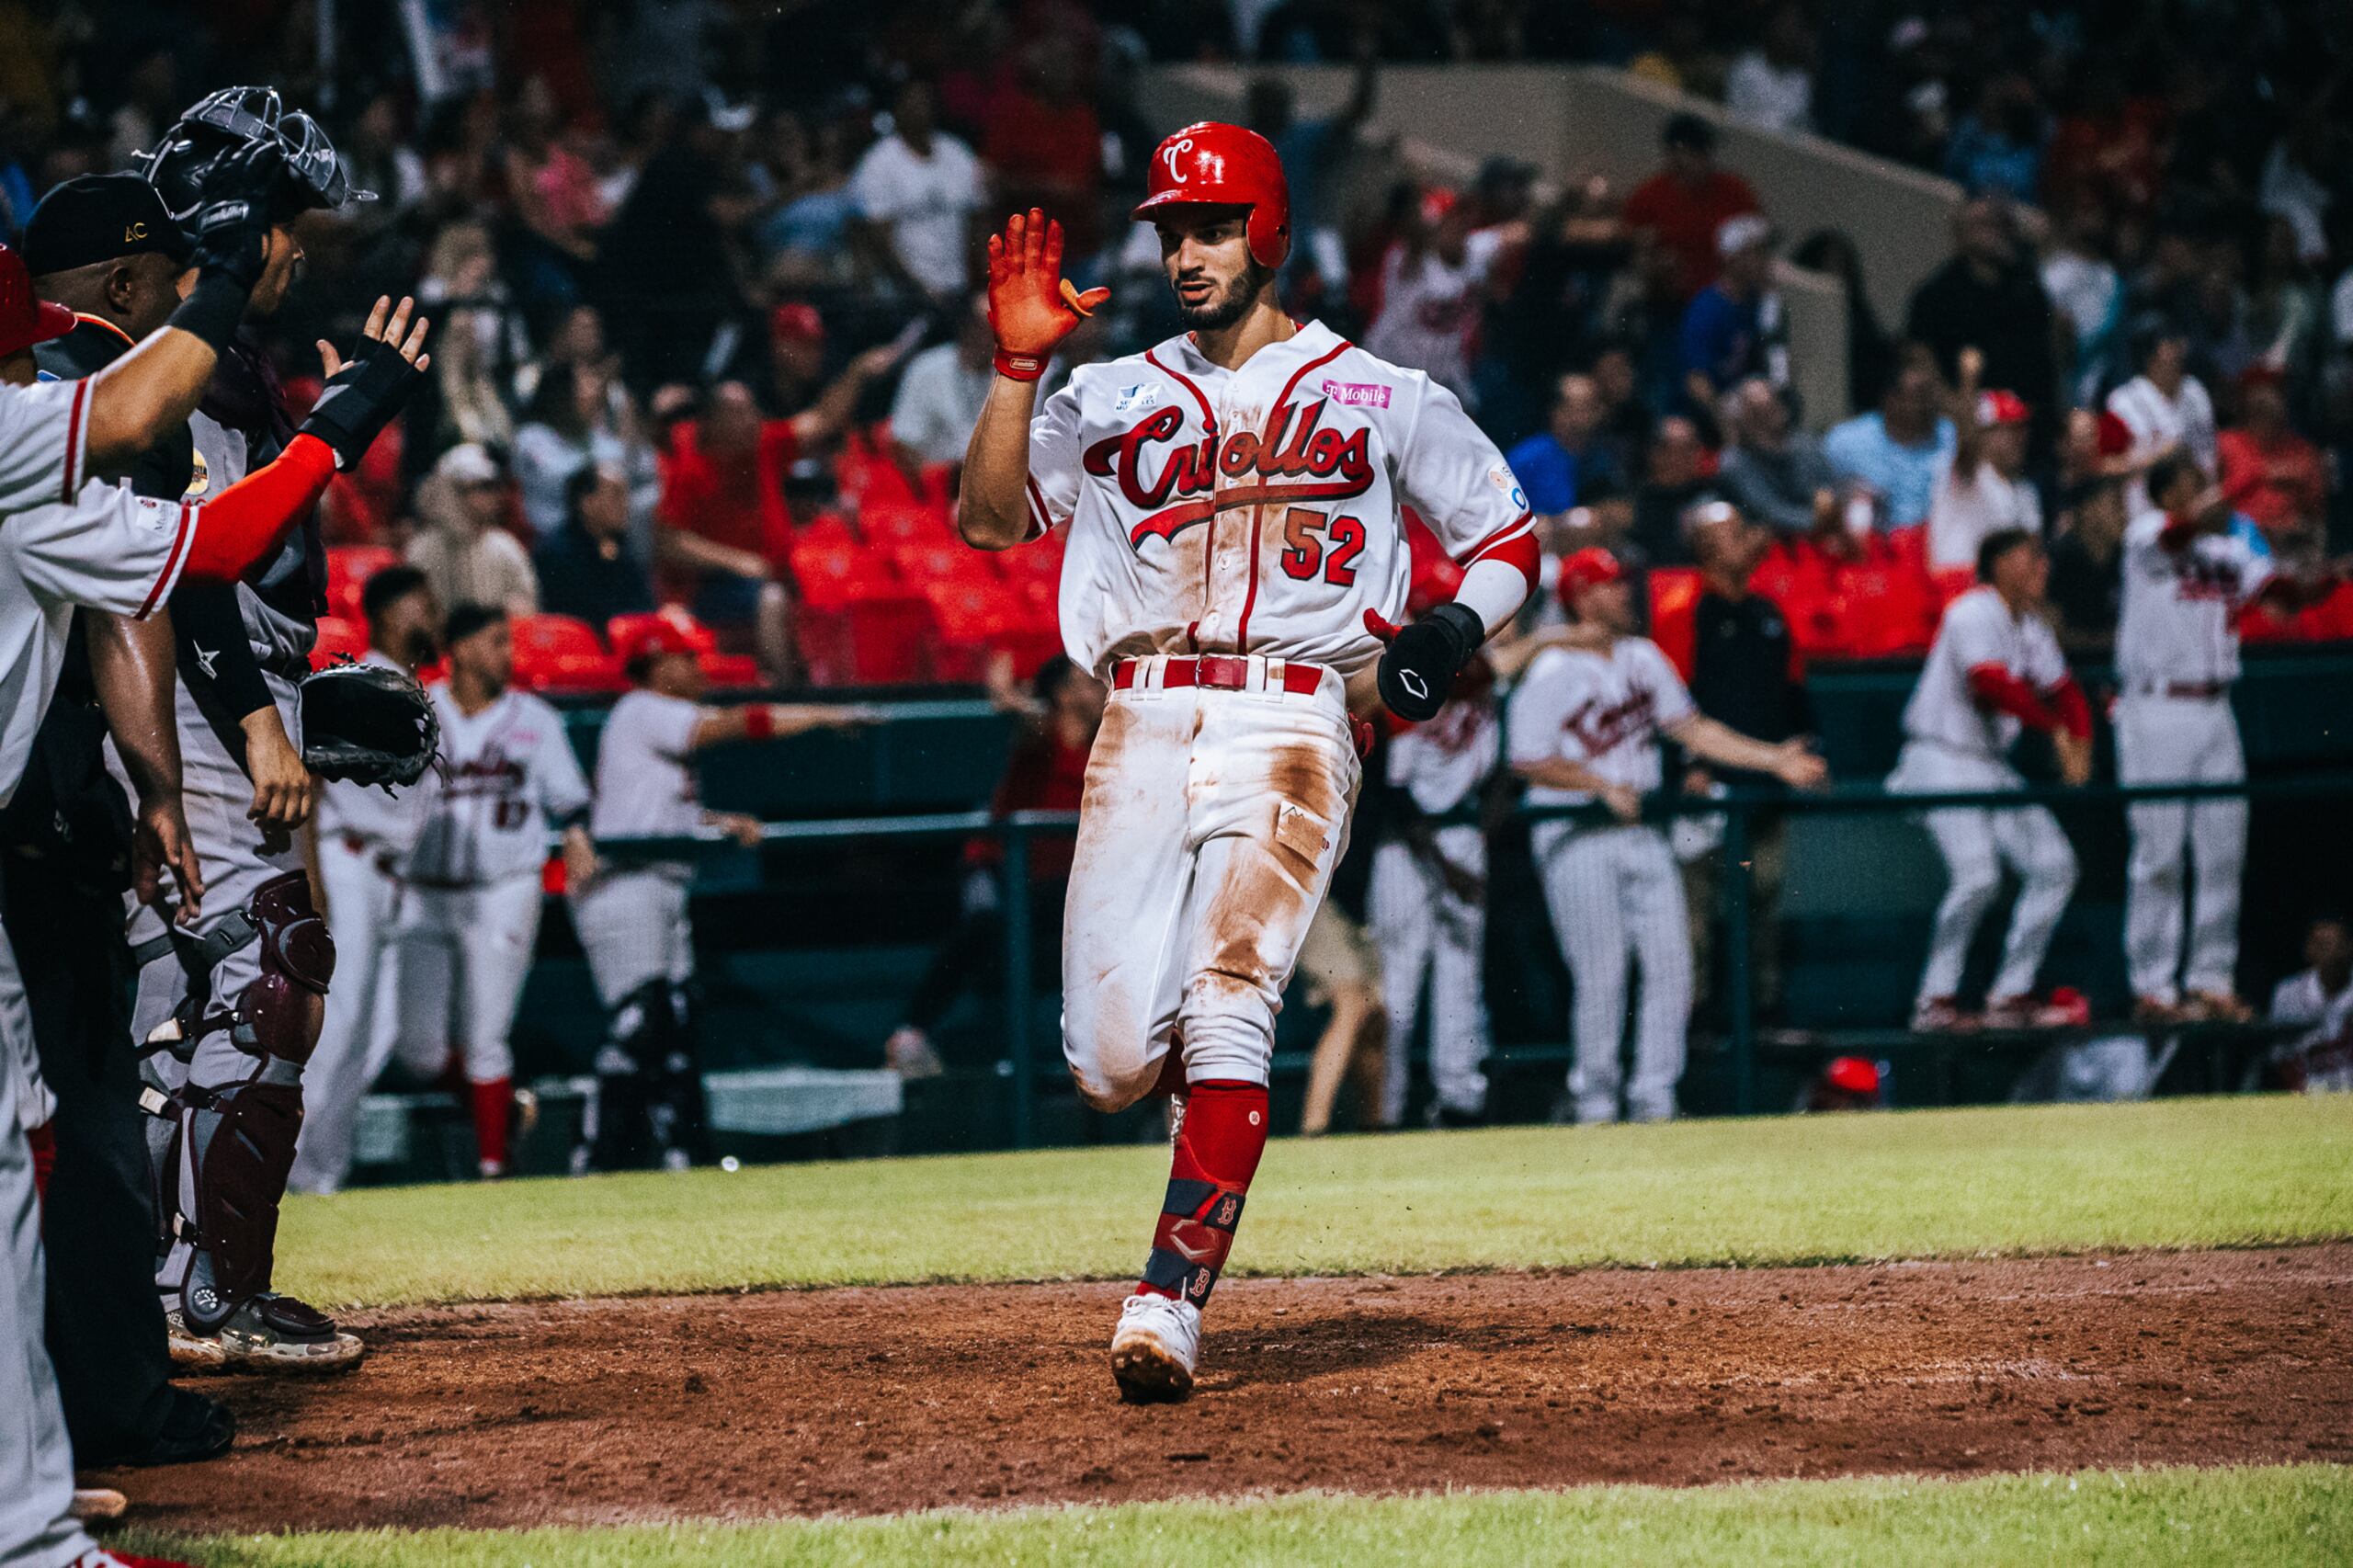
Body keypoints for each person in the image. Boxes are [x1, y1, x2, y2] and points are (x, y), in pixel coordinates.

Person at [958, 122, 1541, 1402]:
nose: (1188, 250)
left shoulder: (1386, 394)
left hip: (1292, 717)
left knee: (1234, 999)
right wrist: (1014, 368)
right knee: (1108, 1061)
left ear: (1267, 229)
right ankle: (1200, 1118)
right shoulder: (1107, 393)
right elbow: (989, 519)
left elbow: (1506, 533)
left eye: (1213, 225)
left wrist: (1443, 630)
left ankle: (1167, 1302)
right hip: (1142, 715)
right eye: (1172, 228)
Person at [0, 222, 402, 1568]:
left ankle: (31, 1511)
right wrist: (331, 417)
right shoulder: (13, 435)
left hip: (31, 834)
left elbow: (173, 567)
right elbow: (168, 472)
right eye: (21, 351)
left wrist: (160, 785)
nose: (33, 372)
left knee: (26, 1155)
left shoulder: (30, 466)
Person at [126, 86, 422, 1373]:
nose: (300, 249)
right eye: (289, 220)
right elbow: (188, 569)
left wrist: (292, 691)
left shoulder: (222, 365)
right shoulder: (177, 368)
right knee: (258, 976)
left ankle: (181, 1281)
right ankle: (202, 1294)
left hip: (209, 694)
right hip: (191, 704)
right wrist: (256, 722)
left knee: (193, 994)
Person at [18, 176, 235, 1470]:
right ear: (116, 284)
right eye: (158, 283)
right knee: (84, 1132)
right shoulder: (74, 401)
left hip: (38, 808)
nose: (163, 313)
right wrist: (155, 793)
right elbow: (140, 599)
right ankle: (106, 1407)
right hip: (31, 823)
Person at [1512, 548, 1823, 1123]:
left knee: (1672, 965)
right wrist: (1596, 783)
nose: (1623, 594)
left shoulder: (1641, 655)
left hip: (1639, 827)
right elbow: (1525, 758)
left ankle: (1655, 1097)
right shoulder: (1552, 666)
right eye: (1607, 585)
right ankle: (1596, 1102)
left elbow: (1692, 728)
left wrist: (1773, 760)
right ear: (1579, 594)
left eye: (1622, 583)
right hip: (1572, 832)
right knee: (1602, 972)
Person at [570, 616, 870, 1171]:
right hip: (624, 883)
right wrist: (822, 716)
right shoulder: (642, 708)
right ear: (657, 664)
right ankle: (594, 1152)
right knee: (642, 1027)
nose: (697, 668)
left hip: (658, 881)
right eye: (685, 658)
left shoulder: (651, 725)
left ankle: (680, 1155)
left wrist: (717, 822)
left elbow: (662, 812)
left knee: (675, 1029)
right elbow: (740, 724)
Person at [2115, 453, 2340, 1023]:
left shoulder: (2229, 551)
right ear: (2167, 493)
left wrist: (2327, 579)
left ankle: (2210, 980)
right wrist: (2213, 504)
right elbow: (2173, 537)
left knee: (2222, 853)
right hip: (2157, 704)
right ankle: (2154, 989)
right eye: (2189, 485)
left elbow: (2283, 601)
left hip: (2216, 708)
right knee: (2159, 856)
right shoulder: (2144, 532)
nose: (2202, 493)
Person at [390, 605, 596, 1179]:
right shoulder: (417, 705)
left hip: (504, 888)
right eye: (495, 642)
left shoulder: (534, 718)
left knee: (486, 1036)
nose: (508, 653)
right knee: (416, 1049)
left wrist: (576, 833)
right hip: (423, 891)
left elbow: (570, 799)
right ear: (460, 647)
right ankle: (502, 1112)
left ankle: (492, 1169)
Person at [1886, 529, 2092, 1031]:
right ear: (1997, 564)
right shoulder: (1971, 611)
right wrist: (2056, 731)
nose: (2043, 567)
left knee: (2055, 865)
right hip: (1941, 757)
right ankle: (1934, 1002)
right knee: (1978, 875)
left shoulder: (2032, 629)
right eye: (2029, 558)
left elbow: (2066, 692)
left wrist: (2079, 741)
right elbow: (1990, 684)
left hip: (1988, 763)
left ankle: (2010, 992)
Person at [290, 566, 438, 1197]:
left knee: (375, 1036)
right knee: (339, 1025)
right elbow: (315, 781)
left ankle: (323, 1176)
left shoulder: (417, 689)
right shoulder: (360, 682)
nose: (429, 615)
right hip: (346, 864)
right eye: (418, 604)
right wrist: (312, 879)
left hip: (388, 878)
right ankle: (288, 1173)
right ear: (384, 613)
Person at [881, 656, 1104, 1080]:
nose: (1100, 691)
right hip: (996, 866)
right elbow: (1023, 721)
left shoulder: (1107, 743)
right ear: (1063, 693)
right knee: (985, 921)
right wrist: (1008, 695)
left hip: (1056, 885)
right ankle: (911, 1031)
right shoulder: (1042, 730)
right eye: (1088, 684)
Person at [1678, 502, 1809, 1023]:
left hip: (1764, 785)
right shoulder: (1685, 608)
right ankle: (1699, 1026)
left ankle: (1764, 1019)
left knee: (1764, 903)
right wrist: (1686, 762)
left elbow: (1794, 689)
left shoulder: (1767, 611)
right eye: (1735, 533)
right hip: (1702, 788)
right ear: (1706, 548)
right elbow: (1672, 701)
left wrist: (1807, 744)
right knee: (1697, 918)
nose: (1751, 538)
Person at [1367, 657, 1499, 1128]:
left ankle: (1460, 1099)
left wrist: (1484, 827)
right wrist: (1447, 869)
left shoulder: (1481, 687)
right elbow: (1396, 797)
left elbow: (1501, 773)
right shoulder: (1407, 689)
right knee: (1399, 981)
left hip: (1460, 834)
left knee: (1461, 977)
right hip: (1406, 849)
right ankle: (1386, 1110)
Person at [1904, 199, 2057, 434]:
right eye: (1980, 224)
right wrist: (1964, 417)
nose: (1990, 232)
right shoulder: (1934, 295)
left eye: (1996, 224)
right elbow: (1923, 363)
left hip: (2026, 424)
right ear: (1959, 234)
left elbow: (2046, 358)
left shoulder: (2027, 288)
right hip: (1964, 424)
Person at [1363, 187, 1508, 407]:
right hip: (1385, 367)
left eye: (1462, 220)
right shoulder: (1412, 259)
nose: (1459, 227)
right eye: (1450, 220)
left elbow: (1516, 232)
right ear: (1433, 228)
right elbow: (1413, 236)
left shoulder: (1473, 252)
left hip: (1439, 378)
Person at [849, 76, 983, 303]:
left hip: (959, 287)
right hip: (905, 295)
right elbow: (879, 239)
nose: (920, 107)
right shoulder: (878, 162)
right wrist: (920, 290)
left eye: (925, 100)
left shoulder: (958, 153)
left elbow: (978, 223)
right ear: (897, 107)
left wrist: (982, 282)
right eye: (912, 99)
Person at [1622, 113, 1761, 307]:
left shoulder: (1734, 192)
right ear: (1674, 155)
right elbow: (1630, 250)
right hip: (1669, 302)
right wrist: (1653, 263)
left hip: (1723, 301)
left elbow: (1758, 243)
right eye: (1694, 152)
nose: (1703, 160)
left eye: (1705, 152)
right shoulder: (1650, 196)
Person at [1927, 348, 2040, 571]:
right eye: (2009, 429)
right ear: (1984, 434)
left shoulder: (2026, 491)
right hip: (1958, 590)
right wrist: (1969, 380)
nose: (2020, 438)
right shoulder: (1965, 473)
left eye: (2022, 429)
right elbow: (1967, 438)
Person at [404, 441, 538, 620]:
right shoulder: (423, 549)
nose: (495, 495)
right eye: (484, 487)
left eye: (495, 486)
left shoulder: (505, 545)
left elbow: (527, 605)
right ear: (453, 492)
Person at [1824, 352, 1953, 530]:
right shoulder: (1845, 440)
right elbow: (1820, 496)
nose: (1929, 405)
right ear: (1891, 399)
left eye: (1932, 396)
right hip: (1869, 547)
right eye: (1920, 397)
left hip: (1933, 547)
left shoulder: (1949, 436)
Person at [1679, 214, 1787, 415]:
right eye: (1757, 252)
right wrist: (1723, 418)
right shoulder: (1707, 308)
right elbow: (1697, 380)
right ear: (1732, 258)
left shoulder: (1761, 302)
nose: (1765, 260)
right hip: (1717, 413)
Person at [2107, 320, 2217, 515]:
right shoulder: (2123, 401)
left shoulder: (2195, 390)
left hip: (2199, 503)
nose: (2179, 350)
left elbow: (2210, 452)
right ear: (2149, 356)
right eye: (2169, 345)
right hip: (2147, 510)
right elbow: (2112, 467)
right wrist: (2164, 455)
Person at [534, 461, 655, 628]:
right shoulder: (556, 554)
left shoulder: (622, 547)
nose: (626, 504)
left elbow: (643, 605)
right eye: (616, 495)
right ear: (587, 503)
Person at [1716, 376, 1838, 539]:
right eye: (1759, 411)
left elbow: (1830, 491)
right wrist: (1820, 523)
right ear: (1745, 419)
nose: (1771, 412)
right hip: (1768, 546)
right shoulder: (1735, 462)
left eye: (1773, 403)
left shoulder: (1806, 445)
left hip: (1820, 539)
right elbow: (1768, 511)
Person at [2217, 366, 2325, 544]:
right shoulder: (2226, 444)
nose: (2265, 401)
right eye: (2257, 392)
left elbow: (2316, 511)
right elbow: (2214, 500)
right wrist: (2260, 474)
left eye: (2273, 391)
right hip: (2238, 544)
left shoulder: (2303, 451)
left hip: (2290, 545)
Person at [889, 296, 995, 475]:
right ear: (967, 327)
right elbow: (903, 444)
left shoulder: (1019, 377)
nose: (990, 338)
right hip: (939, 484)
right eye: (984, 328)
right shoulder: (926, 368)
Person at [1506, 372, 1615, 520]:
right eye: (1581, 408)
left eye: (1594, 407)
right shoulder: (1527, 457)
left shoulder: (1602, 457)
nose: (1590, 416)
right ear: (1557, 412)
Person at [2267, 916, 2352, 1093]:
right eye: (2321, 945)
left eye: (2335, 944)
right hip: (2308, 1096)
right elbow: (2280, 1057)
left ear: (2349, 947)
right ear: (2308, 950)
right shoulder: (2288, 993)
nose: (2330, 953)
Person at [2046, 474, 2128, 650]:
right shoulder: (2062, 555)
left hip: (2118, 657)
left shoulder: (2124, 555)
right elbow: (2051, 626)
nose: (2123, 513)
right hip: (2075, 660)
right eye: (2114, 505)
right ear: (2088, 510)